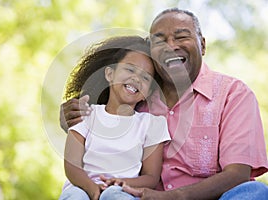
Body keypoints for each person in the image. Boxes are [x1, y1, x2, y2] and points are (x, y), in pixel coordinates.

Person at [60, 8, 268, 199]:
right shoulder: (138, 97)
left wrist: (174, 197)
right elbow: (101, 125)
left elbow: (238, 174)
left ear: (202, 45)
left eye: (181, 36)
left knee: (255, 191)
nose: (171, 46)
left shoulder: (233, 94)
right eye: (159, 41)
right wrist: (69, 119)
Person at [59, 36, 171, 200]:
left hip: (122, 189)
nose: (136, 78)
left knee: (114, 196)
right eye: (130, 69)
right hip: (82, 186)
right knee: (75, 196)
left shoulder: (152, 124)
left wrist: (119, 183)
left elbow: (151, 177)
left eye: (145, 77)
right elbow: (71, 165)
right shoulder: (86, 114)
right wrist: (92, 189)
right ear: (110, 74)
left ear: (147, 93)